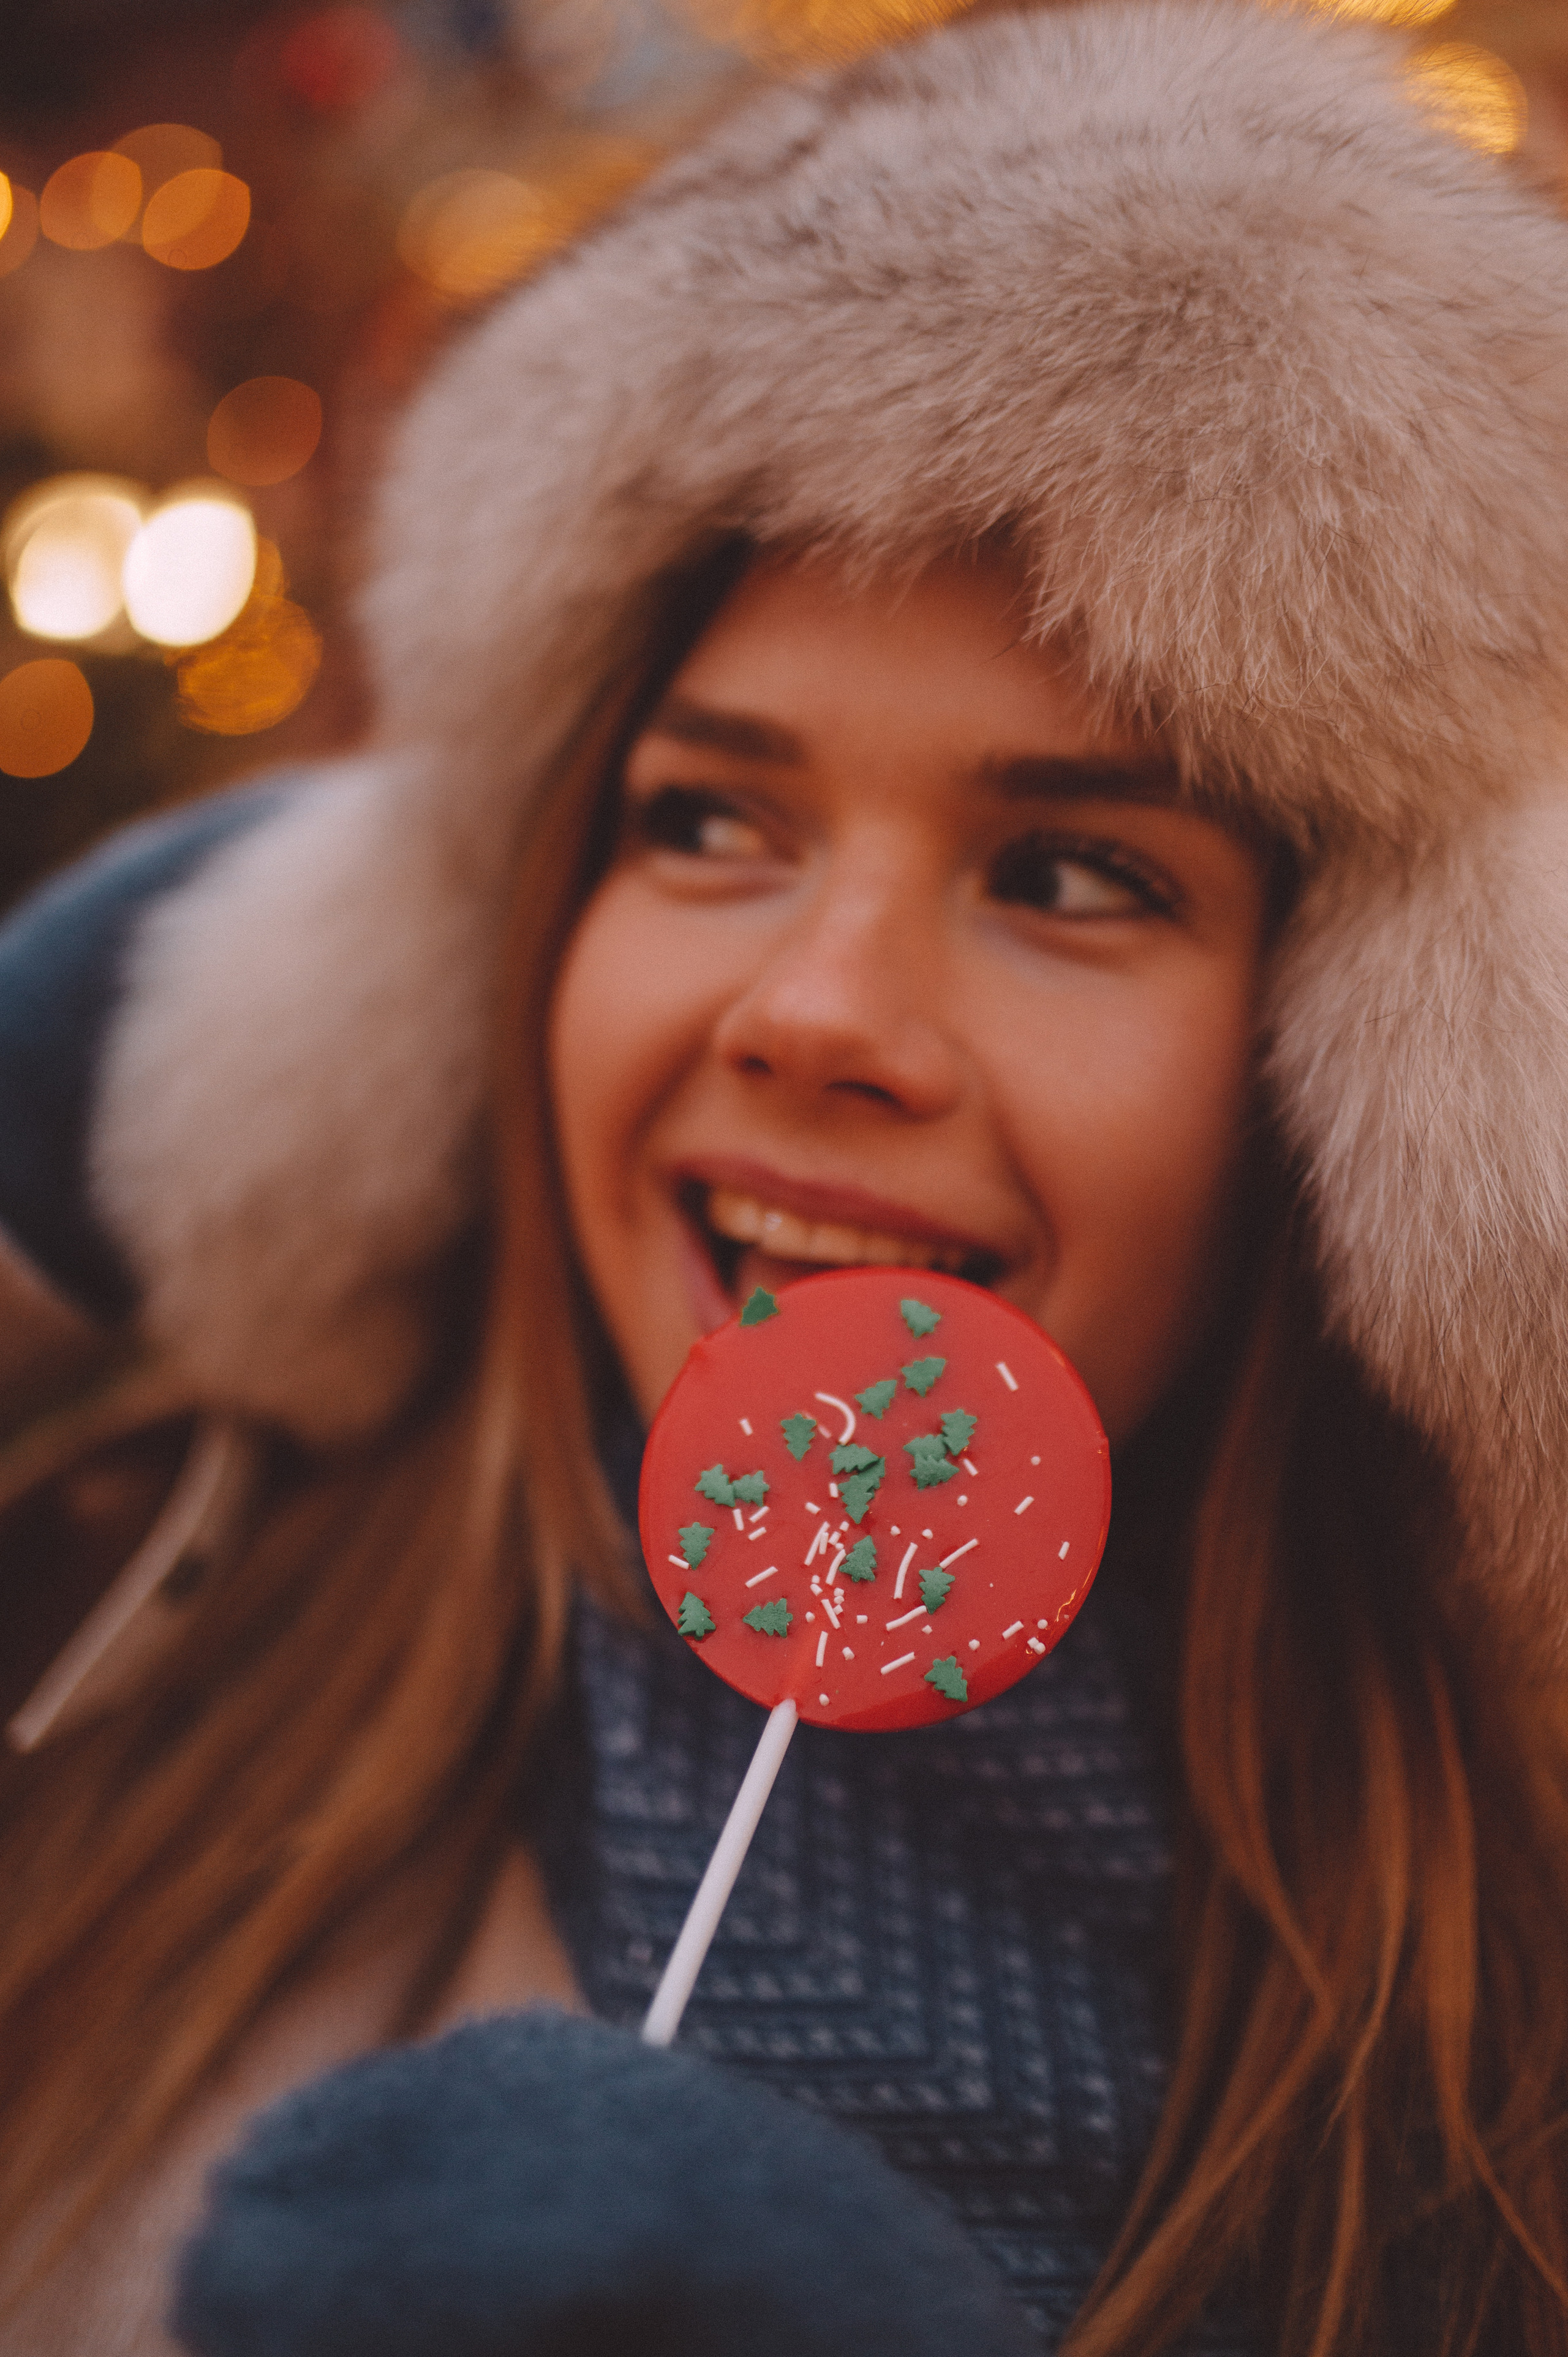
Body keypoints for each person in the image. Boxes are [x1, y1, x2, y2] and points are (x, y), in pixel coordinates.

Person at [4, 0, 1568, 2349]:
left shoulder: (1496, 2096)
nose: (815, 1008)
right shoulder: (123, 1626)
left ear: (1361, 1090)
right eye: (708, 819)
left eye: (1070, 873)